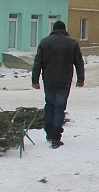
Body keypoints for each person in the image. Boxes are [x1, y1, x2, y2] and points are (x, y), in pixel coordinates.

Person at [32, 20, 85, 149]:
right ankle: (56, 136)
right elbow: (79, 62)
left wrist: (35, 80)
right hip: (64, 80)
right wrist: (80, 79)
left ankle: (49, 133)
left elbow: (37, 62)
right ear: (64, 29)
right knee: (59, 106)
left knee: (50, 105)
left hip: (49, 79)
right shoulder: (72, 43)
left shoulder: (45, 42)